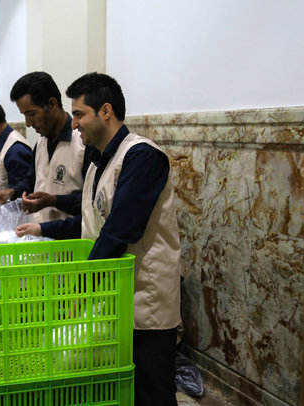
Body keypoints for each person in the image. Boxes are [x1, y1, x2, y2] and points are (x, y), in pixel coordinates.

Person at [16, 73, 181, 406]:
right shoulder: (98, 163)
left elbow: (120, 230)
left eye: (80, 114)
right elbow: (90, 223)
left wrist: (81, 288)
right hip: (113, 296)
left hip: (145, 300)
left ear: (106, 111)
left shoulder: (142, 157)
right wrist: (43, 229)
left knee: (153, 391)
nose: (75, 123)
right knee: (125, 389)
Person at [9, 71, 93, 222]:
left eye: (32, 114)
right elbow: (31, 181)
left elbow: (92, 201)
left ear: (52, 104)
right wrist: (13, 193)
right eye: (24, 115)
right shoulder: (40, 143)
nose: (28, 123)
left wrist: (54, 201)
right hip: (40, 237)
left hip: (71, 241)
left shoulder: (83, 143)